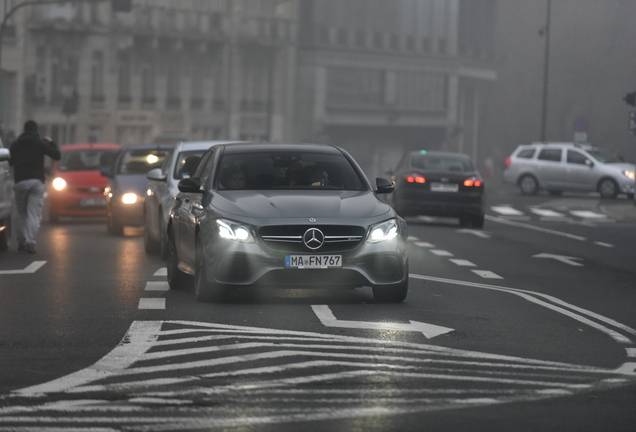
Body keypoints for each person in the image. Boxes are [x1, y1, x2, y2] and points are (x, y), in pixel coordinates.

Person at [9, 120, 61, 253]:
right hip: (36, 181)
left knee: (21, 212)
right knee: (33, 214)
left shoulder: (15, 145)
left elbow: (10, 162)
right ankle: (30, 242)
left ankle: (21, 241)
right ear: (36, 130)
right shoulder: (40, 143)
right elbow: (57, 155)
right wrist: (51, 142)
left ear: (24, 129)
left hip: (20, 181)